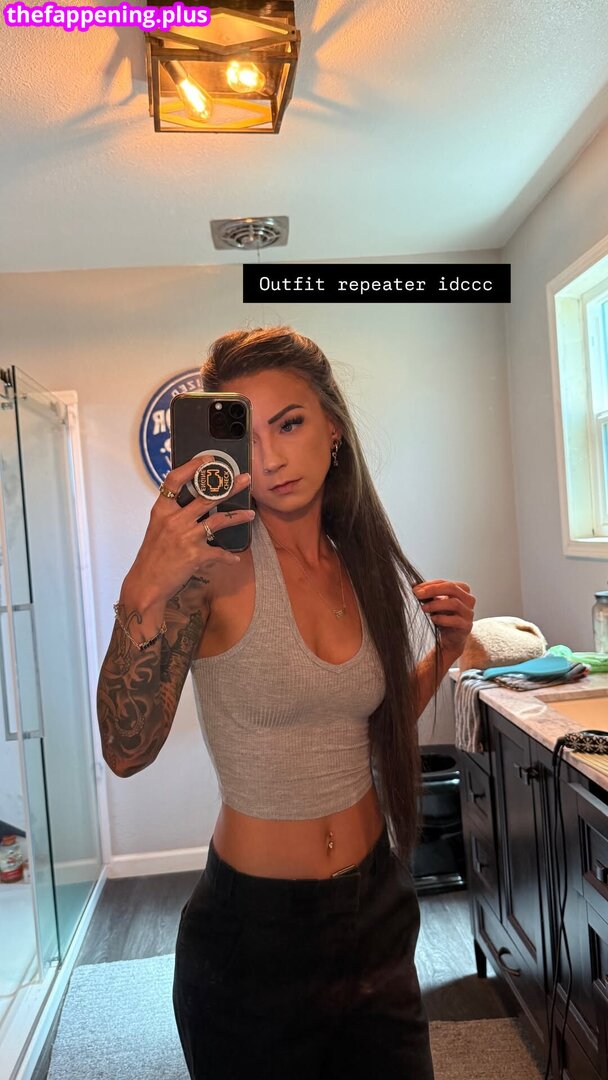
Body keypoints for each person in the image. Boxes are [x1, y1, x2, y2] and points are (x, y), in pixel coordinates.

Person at [96, 325, 476, 1080]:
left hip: (377, 910)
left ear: (332, 425)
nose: (269, 457)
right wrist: (144, 585)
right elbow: (124, 751)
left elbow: (367, 725)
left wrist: (446, 654)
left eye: (290, 423)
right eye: (248, 435)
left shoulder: (359, 559)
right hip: (255, 937)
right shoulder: (212, 571)